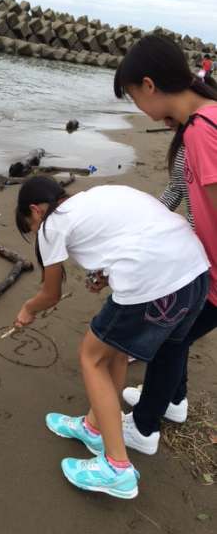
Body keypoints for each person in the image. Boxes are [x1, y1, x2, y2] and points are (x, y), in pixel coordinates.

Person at [14, 176, 209, 499]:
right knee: (115, 349)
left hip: (156, 282)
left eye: (31, 225)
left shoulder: (53, 224)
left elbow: (51, 294)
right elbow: (132, 234)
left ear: (35, 209)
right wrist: (106, 274)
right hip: (195, 275)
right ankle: (94, 428)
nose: (37, 231)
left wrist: (27, 309)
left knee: (91, 357)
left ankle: (117, 469)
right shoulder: (95, 196)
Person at [113, 34, 217, 454]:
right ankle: (173, 401)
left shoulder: (203, 132)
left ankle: (142, 428)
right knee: (177, 337)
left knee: (167, 337)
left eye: (135, 97)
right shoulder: (204, 121)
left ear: (150, 85)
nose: (140, 108)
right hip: (206, 266)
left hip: (213, 273)